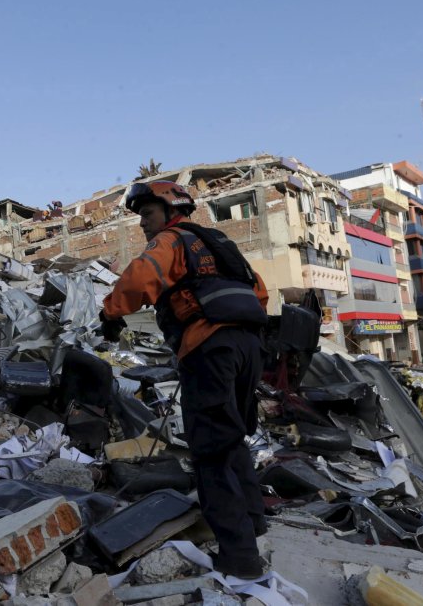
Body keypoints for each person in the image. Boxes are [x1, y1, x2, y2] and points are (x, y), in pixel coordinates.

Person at [99, 181, 270, 580]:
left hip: (210, 347)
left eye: (147, 214)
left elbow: (141, 277)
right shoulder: (219, 244)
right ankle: (254, 521)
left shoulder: (171, 240)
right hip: (249, 347)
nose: (143, 223)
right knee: (231, 438)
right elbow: (258, 292)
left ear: (170, 210)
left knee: (210, 451)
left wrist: (110, 314)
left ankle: (241, 559)